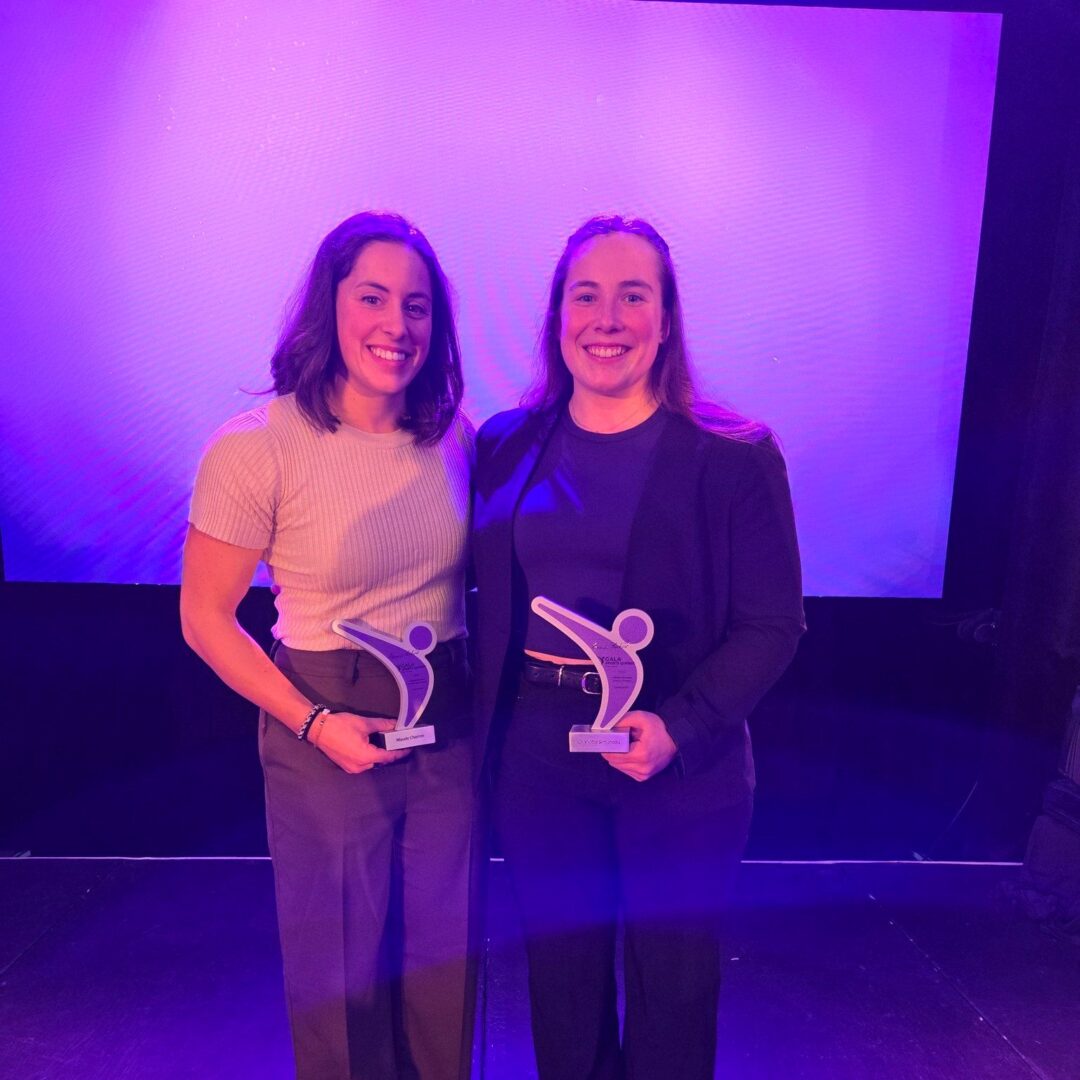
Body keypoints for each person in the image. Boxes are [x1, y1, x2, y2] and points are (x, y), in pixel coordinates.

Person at [472, 215, 805, 1079]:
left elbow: (774, 624)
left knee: (673, 992)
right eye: (586, 296)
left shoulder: (734, 455)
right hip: (539, 760)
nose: (607, 318)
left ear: (666, 319)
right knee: (563, 988)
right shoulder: (505, 445)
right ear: (557, 317)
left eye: (632, 296)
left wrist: (680, 729)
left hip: (677, 764)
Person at [180, 212, 476, 1080]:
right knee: (340, 972)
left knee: (446, 964)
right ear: (329, 306)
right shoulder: (256, 447)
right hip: (324, 710)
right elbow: (206, 619)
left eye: (417, 306)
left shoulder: (450, 437)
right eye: (374, 298)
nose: (397, 325)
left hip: (445, 721)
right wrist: (314, 723)